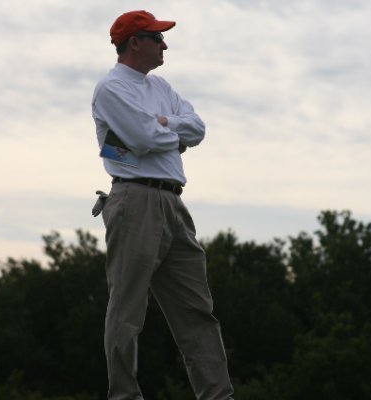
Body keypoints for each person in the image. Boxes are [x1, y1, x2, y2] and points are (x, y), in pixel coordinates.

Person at [91, 10, 234, 400]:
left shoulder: (162, 86)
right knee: (127, 311)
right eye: (157, 37)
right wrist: (171, 128)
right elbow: (140, 138)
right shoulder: (111, 89)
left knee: (197, 312)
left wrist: (162, 125)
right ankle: (124, 396)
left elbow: (197, 128)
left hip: (173, 203)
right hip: (134, 200)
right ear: (135, 42)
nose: (165, 44)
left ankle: (219, 396)